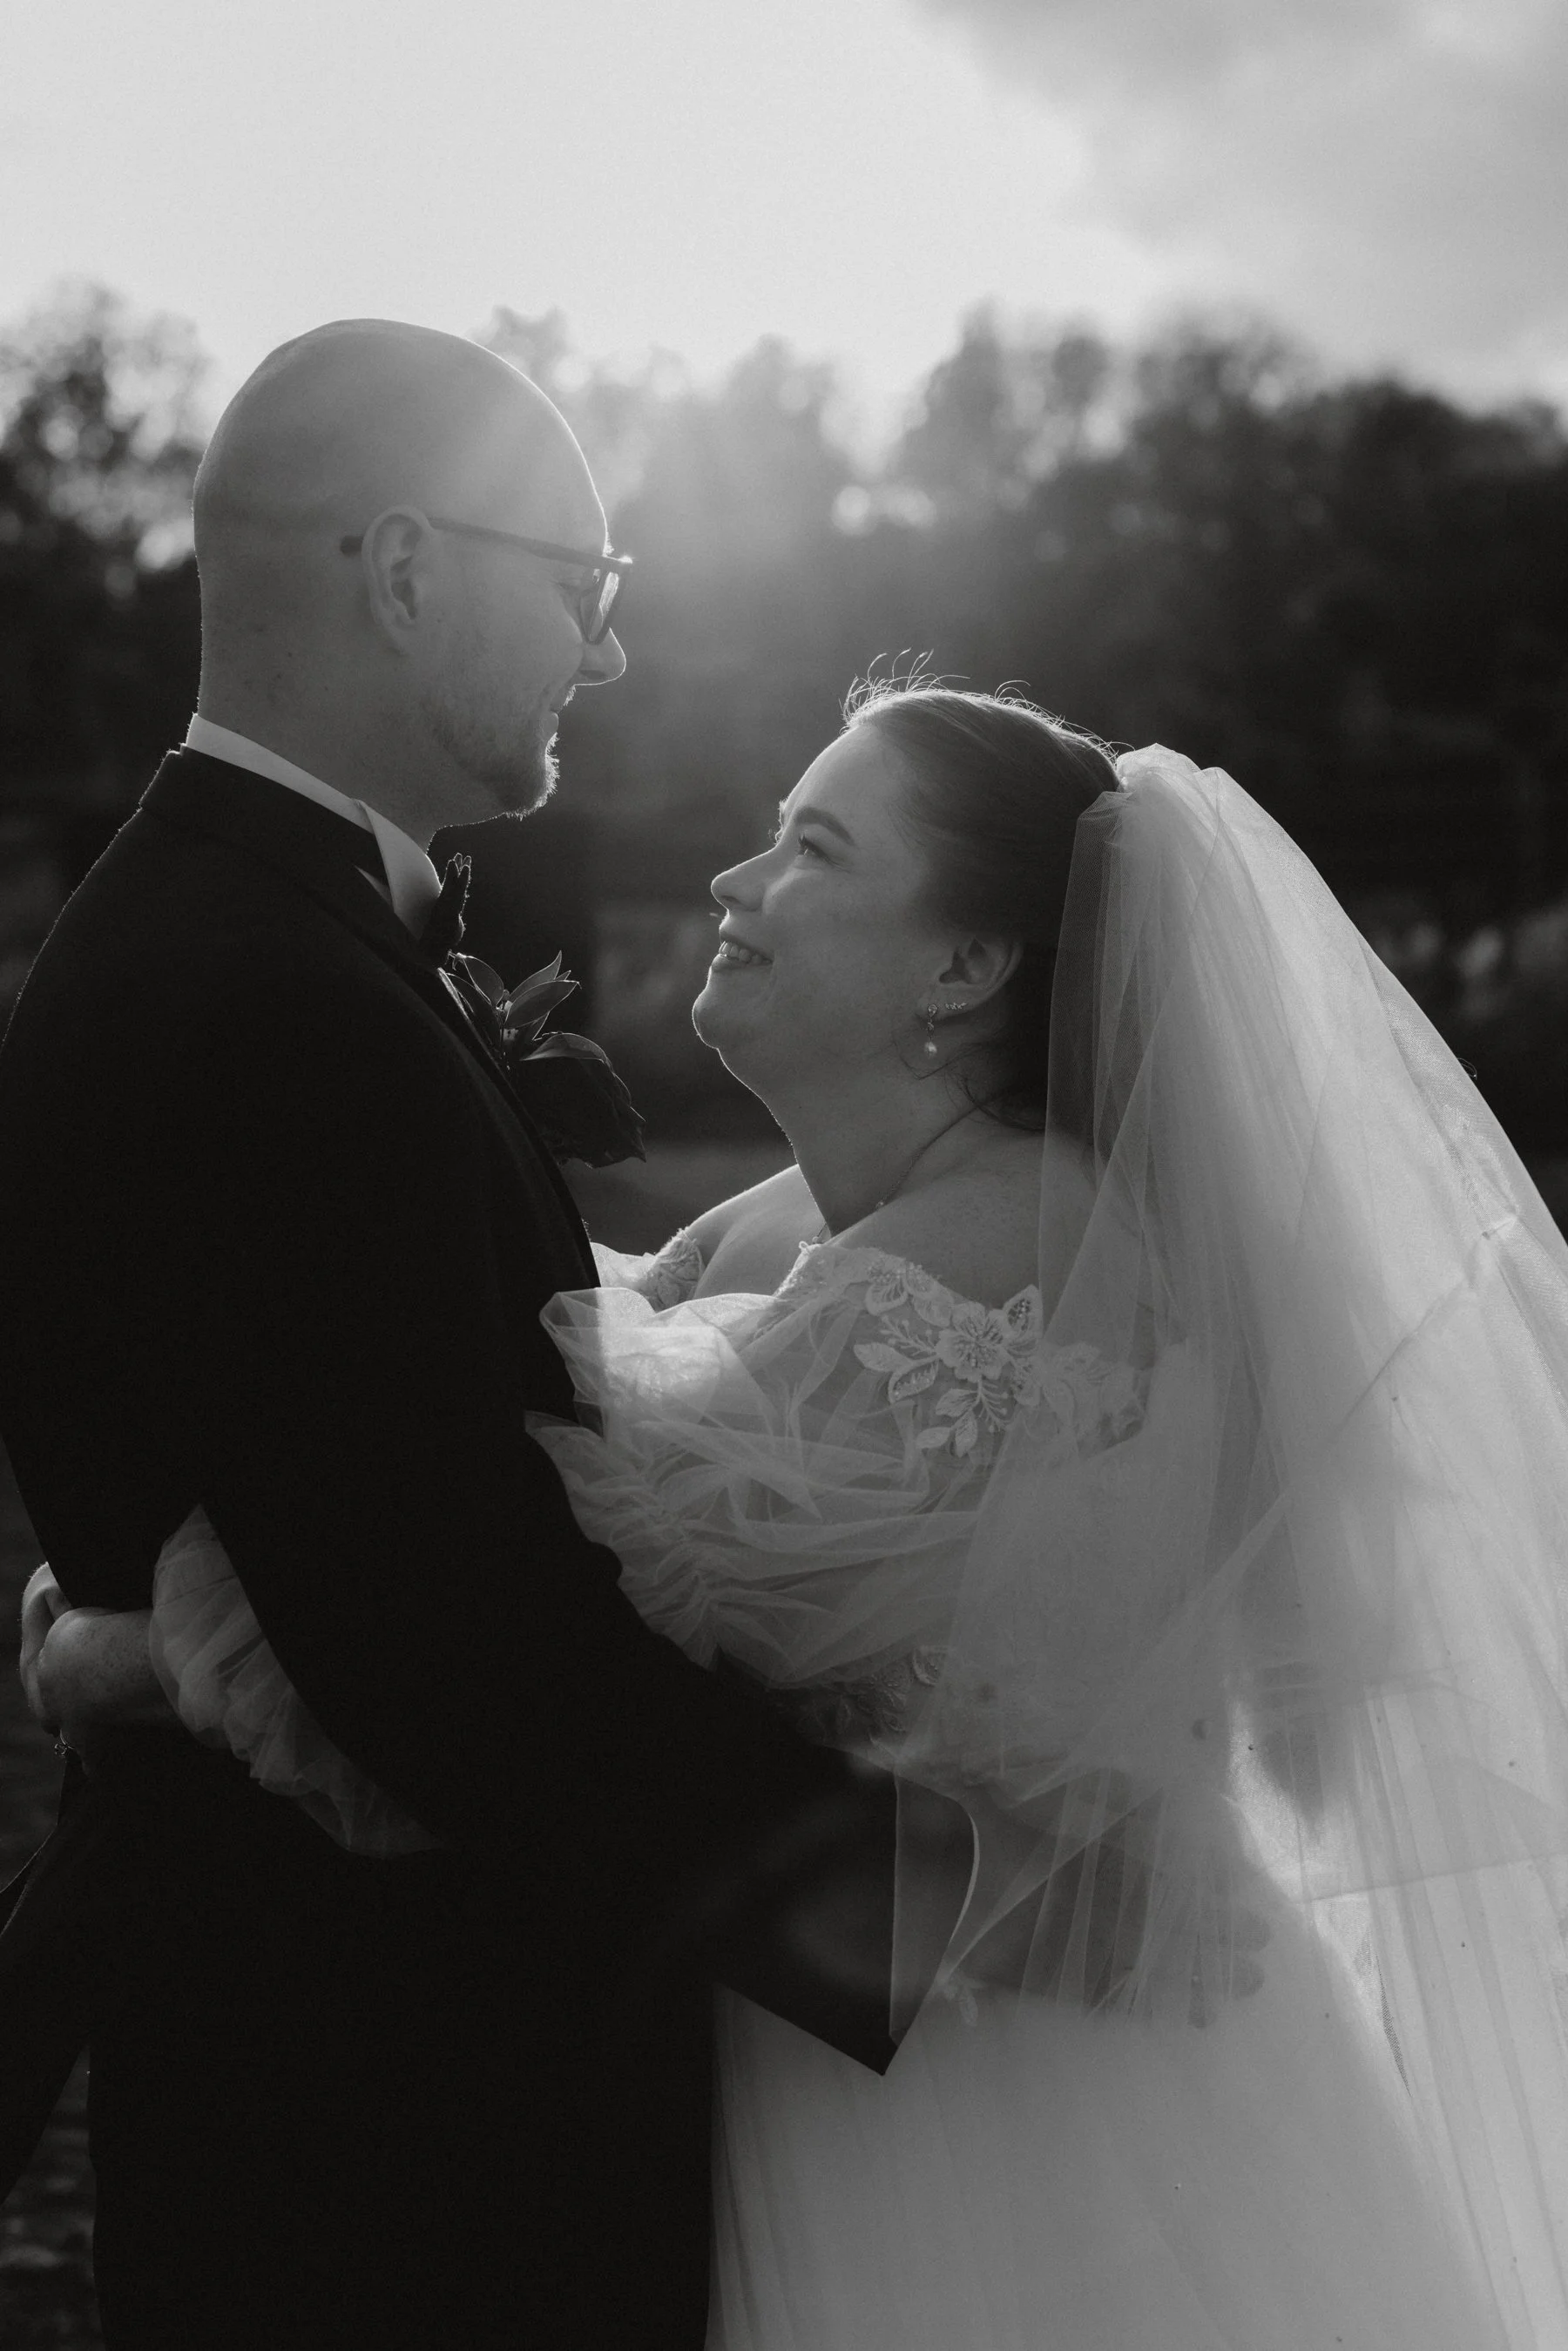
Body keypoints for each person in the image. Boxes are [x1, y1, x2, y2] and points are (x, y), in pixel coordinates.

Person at [30, 679, 1568, 2348]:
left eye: (813, 846)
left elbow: (479, 1635)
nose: (732, 883)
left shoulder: (973, 1271)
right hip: (898, 2023)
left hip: (999, 2135)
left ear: (965, 967)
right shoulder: (814, 1227)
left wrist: (106, 1647)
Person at [0, 324, 968, 2351]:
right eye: (585, 589)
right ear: (409, 568)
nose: (607, 655)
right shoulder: (275, 1001)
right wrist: (932, 1901)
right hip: (390, 2154)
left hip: (326, 2091)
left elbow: (360, 1489)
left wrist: (137, 1644)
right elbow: (456, 1653)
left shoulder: (268, 938)